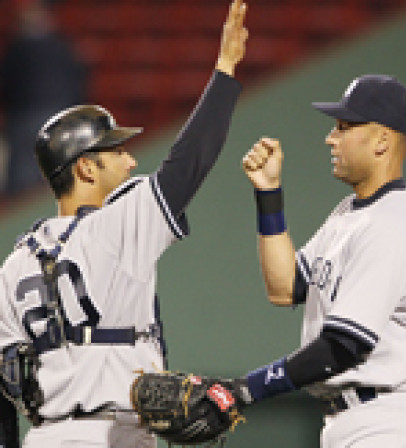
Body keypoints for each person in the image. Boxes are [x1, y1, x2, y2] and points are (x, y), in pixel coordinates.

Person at [0, 0, 248, 446]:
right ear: (85, 168)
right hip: (112, 435)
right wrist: (226, 72)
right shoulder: (113, 227)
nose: (131, 160)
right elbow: (188, 163)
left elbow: (5, 380)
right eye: (115, 152)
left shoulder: (15, 262)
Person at [225, 74, 406, 447]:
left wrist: (241, 391)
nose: (330, 138)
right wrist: (269, 195)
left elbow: (342, 347)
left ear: (382, 140)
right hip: (362, 421)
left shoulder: (390, 222)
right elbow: (285, 287)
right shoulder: (352, 212)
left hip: (393, 422)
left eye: (344, 127)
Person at [0, 0, 87, 197]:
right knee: (30, 178)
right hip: (28, 119)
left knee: (49, 175)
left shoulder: (59, 46)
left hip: (44, 118)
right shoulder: (22, 48)